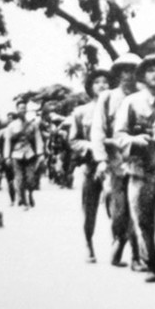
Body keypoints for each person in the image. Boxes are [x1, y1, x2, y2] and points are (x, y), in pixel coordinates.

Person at [115, 53, 155, 282]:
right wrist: (135, 140)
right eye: (150, 70)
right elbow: (119, 135)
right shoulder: (131, 102)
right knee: (143, 221)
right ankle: (151, 262)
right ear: (142, 75)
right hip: (140, 170)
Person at [91, 54, 143, 268]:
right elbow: (98, 130)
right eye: (123, 71)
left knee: (139, 209)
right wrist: (101, 159)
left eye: (132, 70)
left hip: (139, 160)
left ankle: (137, 256)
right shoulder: (108, 97)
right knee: (119, 210)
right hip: (115, 163)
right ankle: (119, 240)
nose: (127, 76)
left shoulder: (144, 96)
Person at [66, 69, 109, 263]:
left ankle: (123, 245)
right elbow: (73, 141)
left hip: (113, 165)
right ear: (90, 87)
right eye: (97, 82)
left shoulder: (117, 108)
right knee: (89, 208)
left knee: (120, 209)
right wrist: (90, 146)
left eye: (105, 82)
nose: (102, 85)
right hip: (90, 166)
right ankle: (89, 245)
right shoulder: (81, 112)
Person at [3, 99, 45, 210]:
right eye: (20, 108)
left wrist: (40, 154)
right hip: (16, 155)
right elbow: (7, 141)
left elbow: (38, 138)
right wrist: (7, 156)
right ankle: (22, 201)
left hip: (29, 154)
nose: (23, 110)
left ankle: (30, 194)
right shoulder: (11, 126)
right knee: (19, 178)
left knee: (31, 178)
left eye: (24, 108)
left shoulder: (33, 124)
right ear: (17, 110)